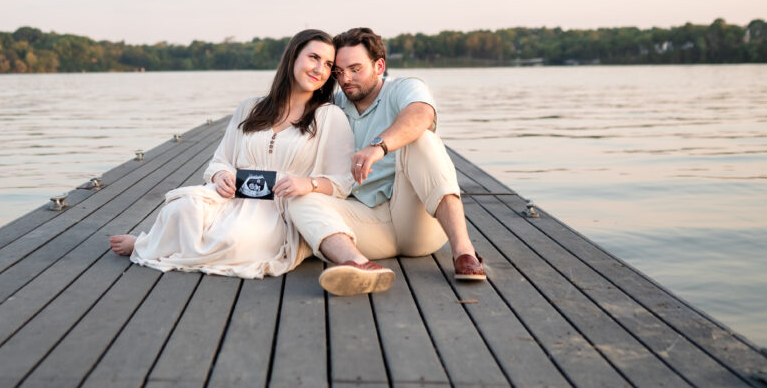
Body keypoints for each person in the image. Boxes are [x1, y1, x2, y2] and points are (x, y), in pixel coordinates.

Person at [109, 29, 391, 292]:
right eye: (314, 57)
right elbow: (220, 161)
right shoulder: (251, 108)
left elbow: (341, 183)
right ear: (293, 56)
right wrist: (221, 177)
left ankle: (155, 245)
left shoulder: (328, 116)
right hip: (233, 199)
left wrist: (307, 184)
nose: (320, 69)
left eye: (329, 65)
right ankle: (152, 242)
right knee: (181, 208)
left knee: (234, 240)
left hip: (278, 210)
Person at [289, 27, 487, 295]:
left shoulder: (403, 88)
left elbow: (421, 114)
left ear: (379, 65)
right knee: (300, 198)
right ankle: (359, 265)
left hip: (415, 222)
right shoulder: (333, 107)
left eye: (355, 69)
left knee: (422, 139)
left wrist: (379, 146)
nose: (345, 78)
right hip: (366, 225)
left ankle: (464, 253)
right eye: (338, 71)